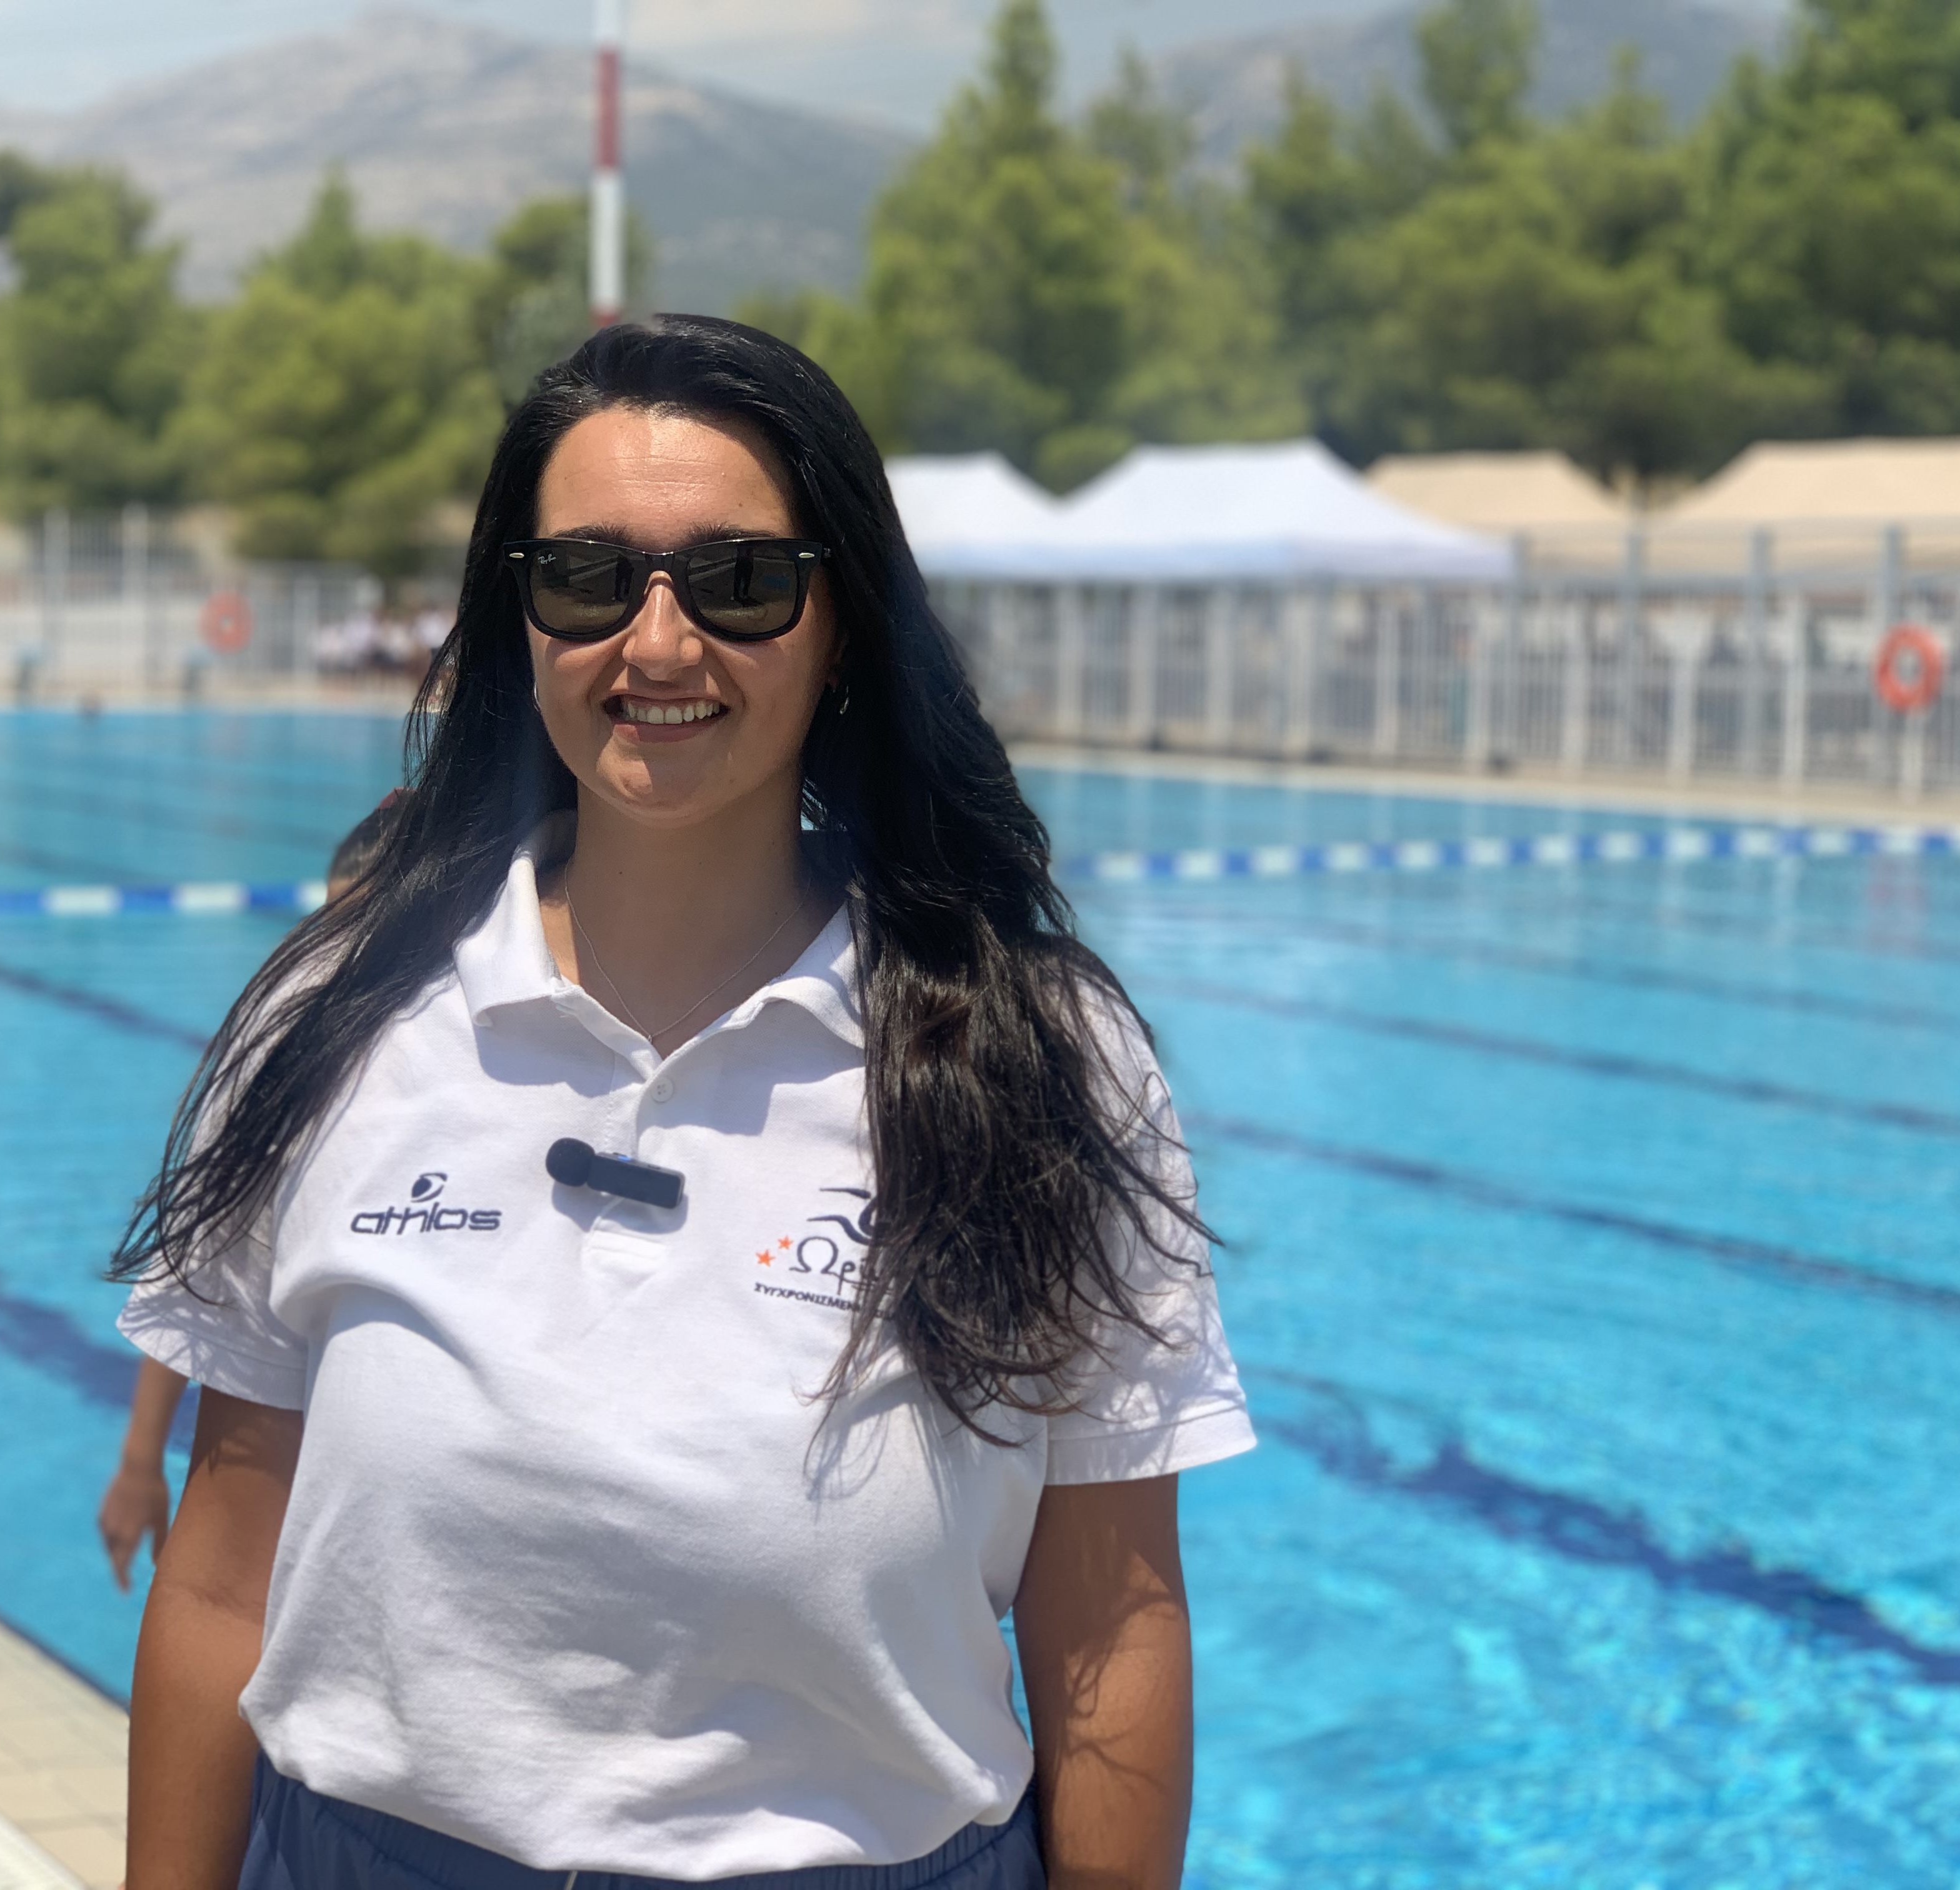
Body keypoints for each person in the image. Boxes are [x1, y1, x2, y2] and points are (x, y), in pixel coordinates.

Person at [114, 318, 1254, 1890]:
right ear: (518, 617)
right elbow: (220, 1586)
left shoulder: (1041, 1056)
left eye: (741, 582)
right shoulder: (340, 1016)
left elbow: (1108, 1629)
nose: (657, 646)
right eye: (588, 577)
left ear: (843, 622)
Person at [98, 792, 406, 1589]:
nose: (339, 971)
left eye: (373, 943)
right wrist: (139, 1465)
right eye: (330, 936)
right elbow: (201, 1272)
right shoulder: (295, 1064)